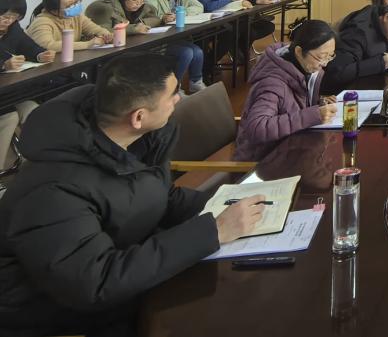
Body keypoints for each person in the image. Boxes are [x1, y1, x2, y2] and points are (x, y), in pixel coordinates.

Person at [0, 53, 265, 336]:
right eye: (172, 95)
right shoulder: (53, 192)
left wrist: (229, 203)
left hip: (114, 266)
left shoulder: (132, 139)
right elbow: (95, 283)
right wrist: (212, 231)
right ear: (138, 116)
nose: (178, 99)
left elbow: (159, 198)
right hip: (48, 305)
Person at [235, 20, 338, 161]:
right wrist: (313, 115)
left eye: (330, 56)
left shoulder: (302, 70)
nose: (325, 63)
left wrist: (318, 105)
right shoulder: (272, 83)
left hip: (289, 152)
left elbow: (290, 107)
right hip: (263, 163)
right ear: (299, 52)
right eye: (321, 57)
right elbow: (258, 127)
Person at [322, 0, 388, 94]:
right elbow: (337, 73)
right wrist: (380, 63)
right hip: (340, 94)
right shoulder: (356, 33)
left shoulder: (382, 20)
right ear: (387, 17)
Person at [145, 0, 208, 94]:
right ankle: (174, 88)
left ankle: (196, 83)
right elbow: (148, 16)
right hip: (157, 40)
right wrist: (162, 18)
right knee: (187, 53)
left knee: (198, 52)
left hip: (173, 36)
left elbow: (199, 7)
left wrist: (183, 13)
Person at [26, 0, 113, 51]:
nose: (76, 6)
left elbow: (96, 30)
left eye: (77, 1)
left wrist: (107, 36)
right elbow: (48, 46)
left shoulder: (77, 16)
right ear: (54, 11)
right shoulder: (42, 22)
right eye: (70, 5)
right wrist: (87, 44)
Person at [0, 0, 54, 72]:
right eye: (5, 17)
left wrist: (40, 55)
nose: (9, 21)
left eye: (14, 17)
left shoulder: (13, 27)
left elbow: (26, 45)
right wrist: (3, 65)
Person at [85, 0, 162, 35]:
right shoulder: (106, 9)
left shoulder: (144, 7)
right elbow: (101, 31)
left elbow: (156, 19)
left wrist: (142, 24)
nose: (138, 3)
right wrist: (134, 29)